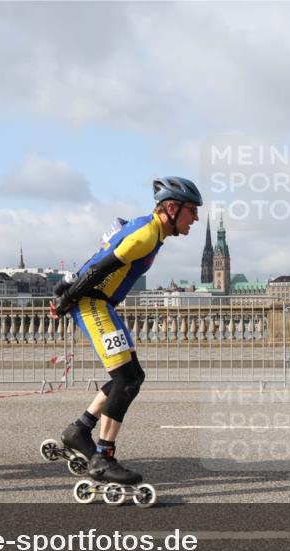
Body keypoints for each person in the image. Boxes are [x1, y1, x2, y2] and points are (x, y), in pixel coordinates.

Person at [50, 176, 202, 485]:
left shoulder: (149, 228)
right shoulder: (146, 234)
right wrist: (66, 300)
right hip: (92, 303)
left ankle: (80, 429)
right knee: (126, 380)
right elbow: (97, 268)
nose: (196, 218)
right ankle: (103, 458)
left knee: (133, 376)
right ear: (171, 208)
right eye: (192, 210)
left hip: (102, 305)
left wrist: (66, 293)